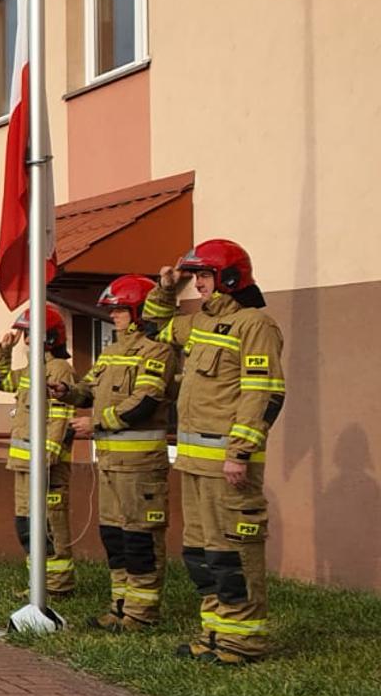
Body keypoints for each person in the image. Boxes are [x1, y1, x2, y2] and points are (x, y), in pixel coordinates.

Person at [145, 240, 285, 665]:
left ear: (229, 277)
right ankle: (215, 633)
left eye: (205, 275)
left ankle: (243, 642)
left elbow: (263, 394)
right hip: (194, 464)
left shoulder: (254, 324)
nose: (200, 284)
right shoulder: (200, 321)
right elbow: (153, 328)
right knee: (202, 554)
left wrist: (239, 453)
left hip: (227, 465)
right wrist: (166, 289)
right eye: (197, 276)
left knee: (233, 553)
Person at [57, 275, 179, 632]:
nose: (113, 317)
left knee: (141, 537)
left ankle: (141, 615)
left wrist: (96, 423)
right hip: (110, 464)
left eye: (120, 310)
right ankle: (119, 607)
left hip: (140, 466)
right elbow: (87, 391)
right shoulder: (111, 352)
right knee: (115, 536)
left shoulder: (157, 351)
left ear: (139, 311)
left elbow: (146, 401)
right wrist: (65, 390)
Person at [0, 303, 78, 598]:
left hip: (46, 466)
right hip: (24, 465)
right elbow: (0, 380)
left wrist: (47, 458)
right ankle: (38, 582)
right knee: (27, 524)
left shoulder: (59, 369)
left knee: (51, 522)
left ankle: (58, 585)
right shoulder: (31, 370)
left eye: (30, 334)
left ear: (49, 337)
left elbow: (60, 416)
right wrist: (4, 350)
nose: (26, 340)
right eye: (24, 335)